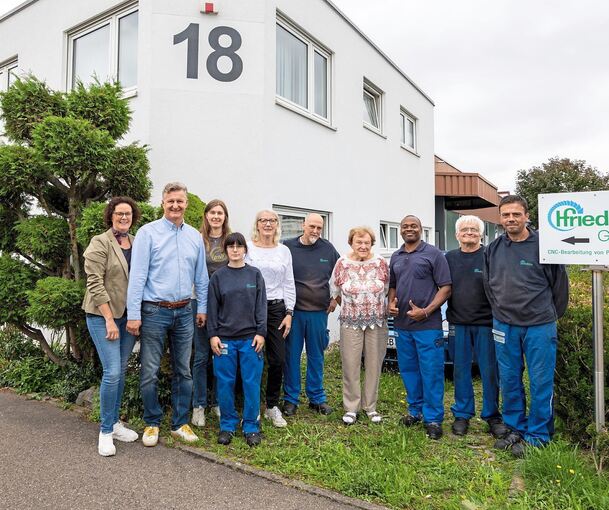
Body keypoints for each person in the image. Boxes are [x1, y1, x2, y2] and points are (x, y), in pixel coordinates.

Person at [483, 195, 568, 457]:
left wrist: (550, 315)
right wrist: (500, 312)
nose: (511, 219)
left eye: (516, 214)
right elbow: (488, 284)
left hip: (539, 324)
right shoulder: (493, 249)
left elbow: (559, 286)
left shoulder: (544, 245)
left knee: (540, 381)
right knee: (509, 379)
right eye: (506, 215)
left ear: (526, 216)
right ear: (500, 218)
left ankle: (539, 435)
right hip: (505, 324)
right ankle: (515, 428)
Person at [126, 182, 208, 447]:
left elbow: (202, 278)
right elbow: (137, 277)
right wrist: (134, 314)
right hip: (154, 312)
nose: (175, 205)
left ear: (186, 204)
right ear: (163, 203)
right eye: (170, 201)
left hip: (185, 311)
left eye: (180, 201)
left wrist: (202, 308)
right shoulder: (147, 234)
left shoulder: (194, 235)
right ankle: (152, 422)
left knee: (183, 370)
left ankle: (180, 423)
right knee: (149, 371)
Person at [83, 197, 141, 456]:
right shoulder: (100, 242)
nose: (124, 218)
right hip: (102, 315)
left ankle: (116, 422)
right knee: (113, 372)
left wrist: (137, 316)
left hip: (128, 317)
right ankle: (105, 431)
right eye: (119, 213)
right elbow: (94, 282)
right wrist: (108, 318)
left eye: (128, 214)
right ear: (111, 216)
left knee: (121, 372)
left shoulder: (137, 242)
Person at [388, 215, 451, 440]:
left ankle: (433, 418)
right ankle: (415, 411)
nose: (409, 229)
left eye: (413, 226)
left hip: (427, 326)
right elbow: (393, 286)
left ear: (420, 229)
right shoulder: (396, 256)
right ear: (401, 230)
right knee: (409, 371)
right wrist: (391, 303)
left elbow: (445, 288)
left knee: (431, 372)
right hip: (403, 325)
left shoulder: (433, 254)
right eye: (405, 226)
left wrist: (426, 311)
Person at [445, 215, 507, 439]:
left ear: (481, 234)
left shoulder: (490, 256)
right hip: (458, 323)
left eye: (473, 229)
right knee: (460, 370)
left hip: (487, 323)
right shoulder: (449, 258)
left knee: (490, 371)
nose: (469, 232)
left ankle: (492, 415)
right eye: (464, 229)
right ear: (457, 235)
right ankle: (462, 414)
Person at [208, 233, 267, 446]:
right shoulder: (218, 277)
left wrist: (261, 332)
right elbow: (212, 309)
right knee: (225, 383)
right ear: (226, 250)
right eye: (231, 246)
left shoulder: (255, 275)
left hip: (251, 339)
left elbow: (261, 306)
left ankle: (251, 425)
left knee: (251, 383)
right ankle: (227, 425)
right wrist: (213, 335)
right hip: (224, 340)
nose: (235, 250)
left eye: (239, 246)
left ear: (245, 250)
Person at [330, 227, 389, 425]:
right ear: (351, 243)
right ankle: (351, 408)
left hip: (377, 322)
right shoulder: (342, 263)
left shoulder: (381, 263)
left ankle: (370, 407)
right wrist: (351, 307)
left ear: (371, 243)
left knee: (374, 364)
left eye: (366, 242)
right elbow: (335, 290)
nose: (362, 246)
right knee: (350, 364)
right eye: (358, 242)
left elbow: (387, 289)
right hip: (350, 322)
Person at [283, 214, 340, 417]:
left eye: (319, 227)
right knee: (292, 357)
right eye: (312, 226)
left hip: (318, 313)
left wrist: (336, 299)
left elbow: (341, 275)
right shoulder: (288, 247)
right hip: (294, 313)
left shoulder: (328, 249)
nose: (315, 231)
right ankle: (291, 399)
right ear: (303, 225)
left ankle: (317, 398)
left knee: (316, 356)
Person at [245, 210, 296, 428]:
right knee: (250, 360)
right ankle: (251, 407)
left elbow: (289, 282)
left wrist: (289, 312)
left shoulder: (284, 251)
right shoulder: (248, 247)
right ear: (256, 224)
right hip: (250, 308)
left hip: (276, 309)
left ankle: (272, 406)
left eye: (272, 220)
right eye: (263, 220)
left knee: (277, 359)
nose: (268, 224)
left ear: (277, 225)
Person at [191, 199, 230, 427]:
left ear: (225, 217)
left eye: (220, 213)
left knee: (221, 354)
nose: (216, 216)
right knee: (201, 355)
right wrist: (201, 306)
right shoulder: (197, 239)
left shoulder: (230, 240)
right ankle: (199, 405)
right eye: (213, 212)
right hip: (199, 302)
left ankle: (217, 402)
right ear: (206, 215)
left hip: (226, 305)